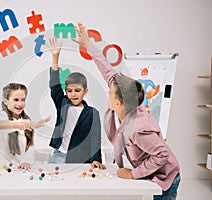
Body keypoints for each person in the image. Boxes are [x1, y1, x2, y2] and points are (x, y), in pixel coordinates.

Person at [72, 22, 180, 199]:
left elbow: (162, 154)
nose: (108, 90)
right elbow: (107, 70)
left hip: (164, 177)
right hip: (147, 171)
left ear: (119, 103)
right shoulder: (128, 101)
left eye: (110, 92)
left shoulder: (139, 128)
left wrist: (133, 173)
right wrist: (88, 44)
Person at [47, 38, 105, 169]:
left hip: (80, 159)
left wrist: (96, 159)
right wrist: (55, 57)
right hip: (59, 155)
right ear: (66, 91)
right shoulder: (63, 103)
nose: (73, 94)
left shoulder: (92, 113)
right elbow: (54, 86)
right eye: (69, 91)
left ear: (85, 91)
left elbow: (95, 138)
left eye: (77, 91)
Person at [0, 83, 50, 170]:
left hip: (20, 169)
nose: (20, 103)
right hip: (0, 169)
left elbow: (30, 146)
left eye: (23, 100)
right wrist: (25, 124)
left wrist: (26, 161)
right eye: (16, 100)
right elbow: (5, 126)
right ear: (5, 101)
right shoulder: (1, 116)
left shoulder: (26, 119)